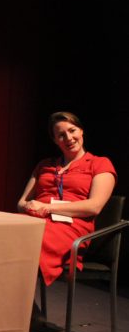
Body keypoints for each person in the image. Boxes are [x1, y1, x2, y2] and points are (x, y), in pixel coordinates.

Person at [17, 111, 116, 287]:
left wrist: (47, 208)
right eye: (61, 135)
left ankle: (27, 312)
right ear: (55, 140)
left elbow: (94, 206)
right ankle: (27, 311)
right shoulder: (44, 165)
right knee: (4, 235)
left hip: (70, 225)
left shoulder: (100, 163)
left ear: (81, 131)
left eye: (72, 130)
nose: (69, 137)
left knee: (22, 247)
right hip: (34, 218)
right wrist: (29, 206)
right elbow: (21, 203)